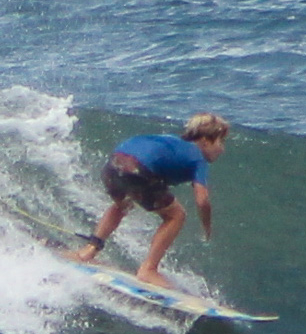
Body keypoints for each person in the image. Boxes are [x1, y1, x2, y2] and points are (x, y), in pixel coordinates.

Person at [71, 112, 230, 287]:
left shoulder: (172, 142)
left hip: (115, 162)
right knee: (176, 215)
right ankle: (148, 269)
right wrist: (206, 226)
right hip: (138, 170)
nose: (222, 149)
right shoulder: (198, 158)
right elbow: (202, 200)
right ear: (206, 140)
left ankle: (89, 250)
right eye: (221, 142)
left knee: (122, 205)